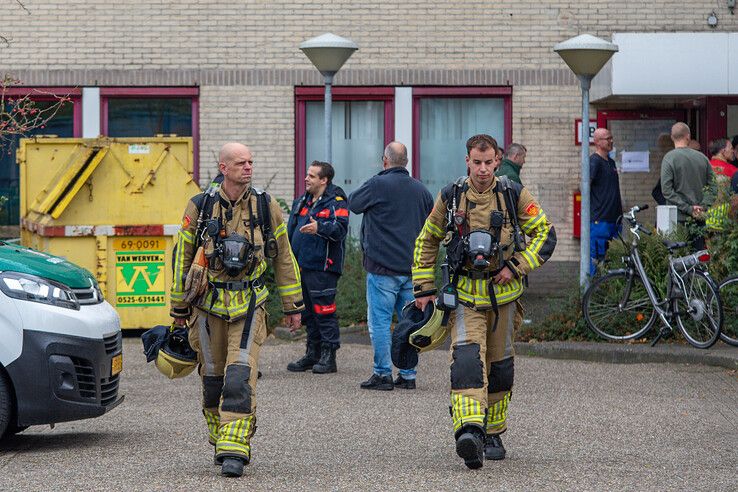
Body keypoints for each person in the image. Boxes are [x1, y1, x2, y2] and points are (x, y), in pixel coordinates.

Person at [412, 134, 556, 468]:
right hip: (464, 298)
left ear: (497, 160)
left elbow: (545, 233)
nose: (483, 169)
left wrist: (516, 266)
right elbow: (427, 240)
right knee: (465, 361)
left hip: (504, 299)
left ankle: (493, 432)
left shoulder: (513, 193)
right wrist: (424, 288)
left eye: (488, 162)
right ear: (467, 161)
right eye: (476, 162)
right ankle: (469, 432)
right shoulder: (450, 197)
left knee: (500, 368)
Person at [170, 142, 304, 478]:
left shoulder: (265, 205)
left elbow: (284, 256)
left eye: (251, 161)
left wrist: (293, 305)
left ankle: (234, 447)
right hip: (207, 309)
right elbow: (181, 257)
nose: (248, 167)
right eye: (241, 162)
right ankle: (222, 436)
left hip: (249, 307)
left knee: (239, 376)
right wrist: (178, 308)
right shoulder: (200, 206)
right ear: (223, 167)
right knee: (212, 380)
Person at [348, 141, 433, 391]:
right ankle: (407, 374)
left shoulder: (377, 184)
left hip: (382, 269)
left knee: (380, 323)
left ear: (384, 160)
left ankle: (382, 373)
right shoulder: (421, 190)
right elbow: (431, 224)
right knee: (409, 322)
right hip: (413, 270)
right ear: (405, 162)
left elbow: (353, 204)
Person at [286, 161, 349, 374]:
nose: (306, 179)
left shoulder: (336, 201)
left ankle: (329, 356)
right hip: (302, 266)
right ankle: (312, 354)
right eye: (307, 175)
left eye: (312, 176)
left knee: (324, 311)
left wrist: (319, 227)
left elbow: (340, 229)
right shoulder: (301, 201)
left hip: (323, 267)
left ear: (324, 180)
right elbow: (290, 231)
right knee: (309, 314)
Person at [661, 123, 716, 225]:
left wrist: (688, 209)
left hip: (677, 218)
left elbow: (666, 190)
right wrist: (704, 206)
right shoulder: (703, 158)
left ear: (672, 137)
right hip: (700, 216)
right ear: (688, 136)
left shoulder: (669, 158)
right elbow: (713, 187)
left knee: (678, 241)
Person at [589, 128, 622, 276]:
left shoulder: (611, 162)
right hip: (600, 220)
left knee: (612, 259)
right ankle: (589, 293)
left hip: (615, 220)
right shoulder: (594, 162)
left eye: (611, 137)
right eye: (607, 139)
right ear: (597, 142)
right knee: (596, 260)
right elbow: (584, 186)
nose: (611, 141)